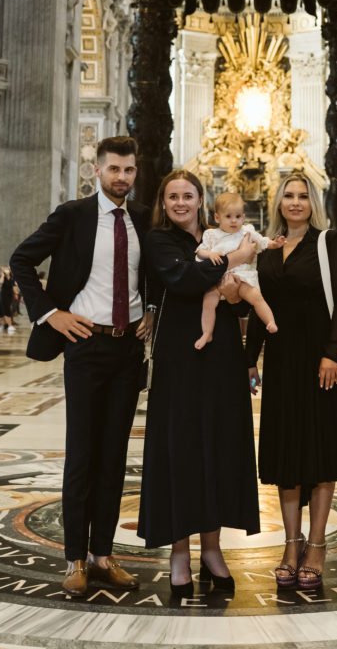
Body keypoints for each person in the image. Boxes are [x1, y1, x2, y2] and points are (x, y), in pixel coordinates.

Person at [10, 135, 152, 599]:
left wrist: (153, 309)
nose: (122, 178)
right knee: (83, 455)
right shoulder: (73, 215)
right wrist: (52, 313)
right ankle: (74, 558)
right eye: (114, 169)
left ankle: (103, 556)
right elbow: (21, 260)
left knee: (114, 458)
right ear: (98, 170)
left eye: (129, 170)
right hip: (86, 346)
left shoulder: (143, 220)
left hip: (128, 349)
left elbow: (157, 274)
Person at [137, 170, 260, 595]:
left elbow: (237, 293)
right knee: (181, 445)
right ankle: (178, 550)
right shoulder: (159, 240)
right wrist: (237, 261)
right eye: (172, 196)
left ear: (200, 199)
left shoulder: (213, 237)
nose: (180, 203)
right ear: (164, 201)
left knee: (218, 443)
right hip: (179, 353)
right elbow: (183, 279)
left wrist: (231, 281)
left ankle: (212, 546)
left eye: (188, 195)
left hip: (222, 350)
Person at [246, 175, 337, 591]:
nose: (296, 203)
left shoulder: (328, 242)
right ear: (278, 203)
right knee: (287, 453)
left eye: (303, 196)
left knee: (321, 449)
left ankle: (316, 545)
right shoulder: (268, 248)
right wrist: (249, 360)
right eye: (289, 196)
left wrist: (333, 352)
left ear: (314, 203)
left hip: (319, 359)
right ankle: (291, 546)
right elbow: (260, 305)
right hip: (280, 362)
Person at [194, 190, 284, 350]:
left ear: (243, 216)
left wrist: (274, 244)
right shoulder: (211, 234)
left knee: (256, 297)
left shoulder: (247, 231)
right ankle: (207, 333)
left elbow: (263, 242)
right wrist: (211, 253)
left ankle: (270, 321)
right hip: (217, 278)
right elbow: (200, 252)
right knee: (208, 301)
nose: (234, 221)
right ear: (217, 217)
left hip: (242, 276)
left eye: (238, 216)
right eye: (228, 216)